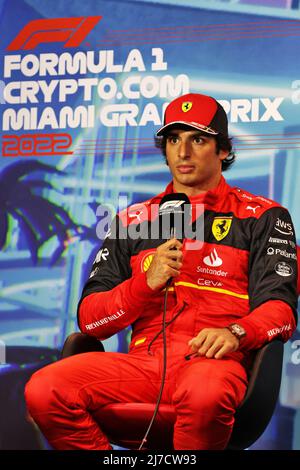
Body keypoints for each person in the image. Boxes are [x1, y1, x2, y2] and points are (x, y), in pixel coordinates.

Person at [25, 93, 298, 450]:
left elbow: (281, 310)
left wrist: (235, 332)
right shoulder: (132, 222)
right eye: (173, 140)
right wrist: (144, 284)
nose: (182, 152)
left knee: (203, 392)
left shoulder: (263, 217)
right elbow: (91, 321)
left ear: (224, 150)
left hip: (216, 362)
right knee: (45, 389)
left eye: (197, 139)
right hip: (143, 366)